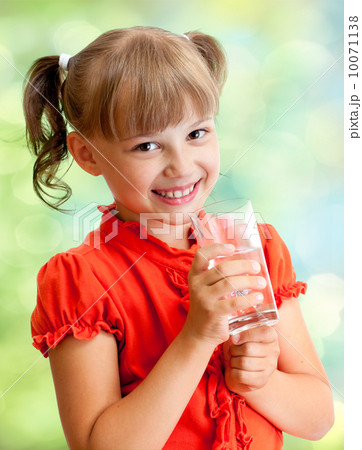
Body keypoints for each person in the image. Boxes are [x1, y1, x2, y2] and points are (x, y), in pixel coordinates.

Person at [24, 26, 334, 449]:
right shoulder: (83, 280)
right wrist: (197, 337)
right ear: (87, 155)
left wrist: (257, 381)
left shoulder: (254, 249)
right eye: (147, 146)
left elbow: (317, 419)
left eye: (196, 134)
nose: (181, 166)